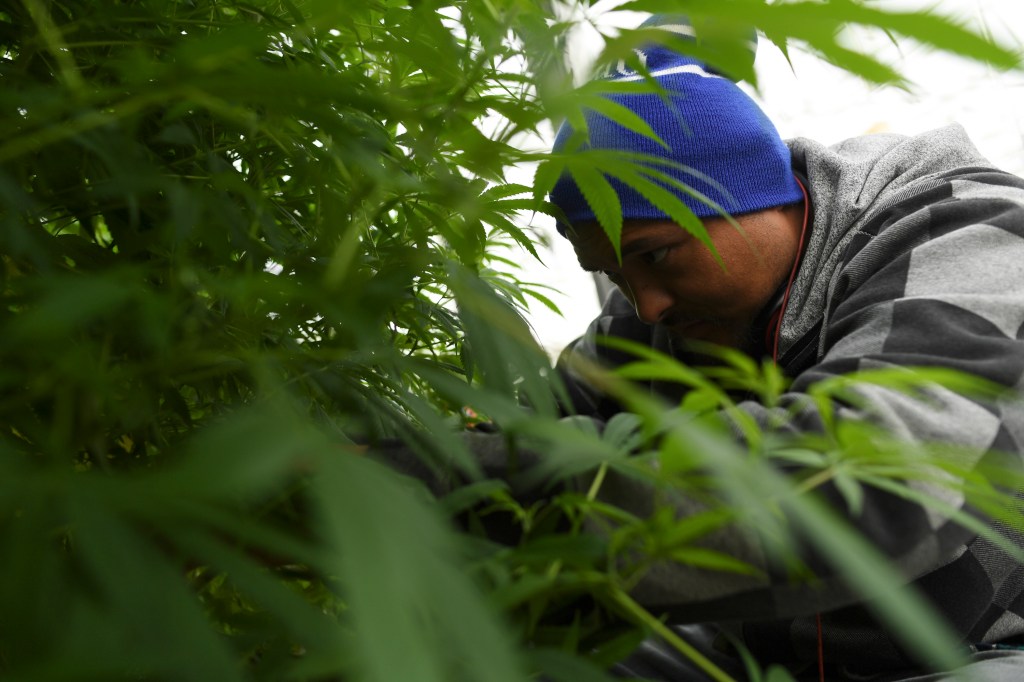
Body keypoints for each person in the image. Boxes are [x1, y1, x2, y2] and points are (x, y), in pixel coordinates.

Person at [544, 15, 1024, 682]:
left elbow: (883, 488)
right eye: (616, 274)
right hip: (750, 662)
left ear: (754, 195)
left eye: (657, 255)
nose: (646, 302)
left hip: (984, 653)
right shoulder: (646, 325)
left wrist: (525, 485)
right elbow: (524, 431)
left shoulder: (963, 230)